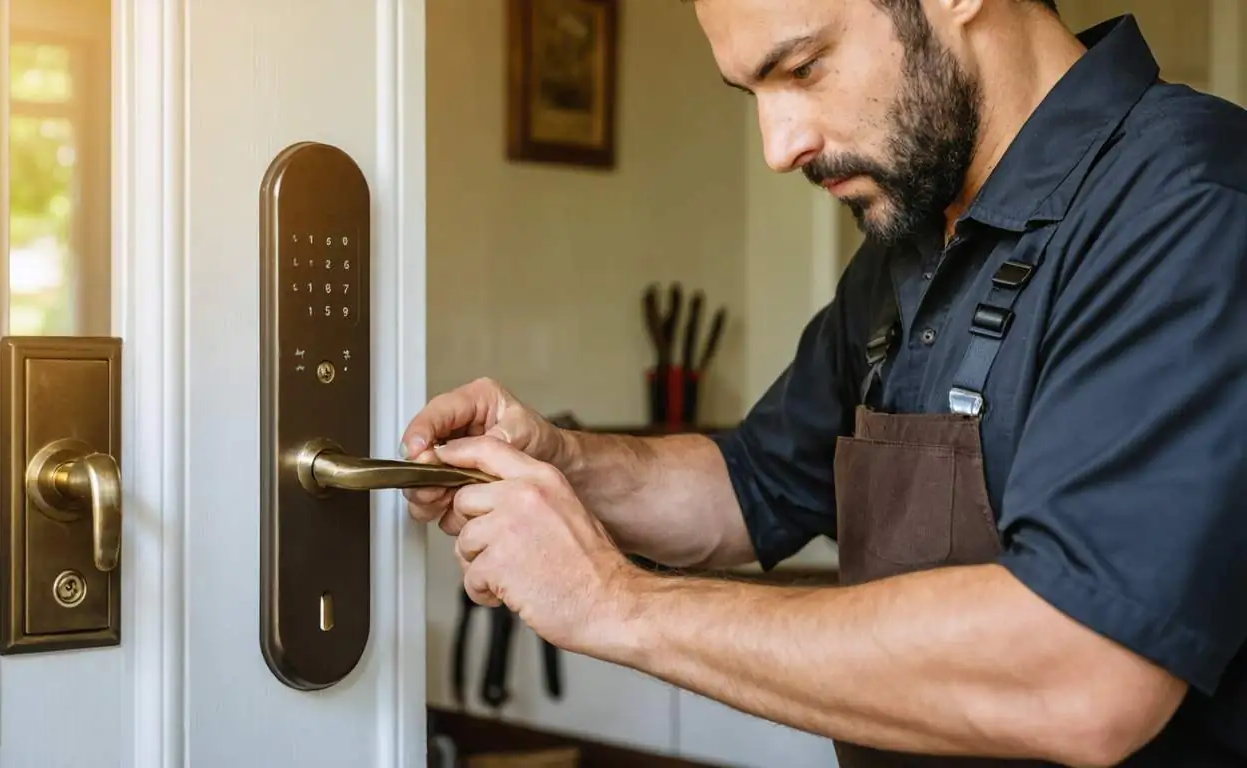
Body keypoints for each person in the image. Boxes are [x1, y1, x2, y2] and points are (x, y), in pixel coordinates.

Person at [400, 1, 1247, 765]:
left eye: (803, 68)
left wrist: (613, 602)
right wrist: (564, 465)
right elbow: (755, 483)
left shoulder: (1192, 202)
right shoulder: (914, 237)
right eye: (752, 93)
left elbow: (1085, 673)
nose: (780, 148)